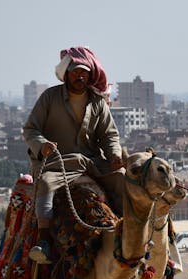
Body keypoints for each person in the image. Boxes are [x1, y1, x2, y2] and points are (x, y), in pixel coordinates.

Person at [23, 46, 123, 264]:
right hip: (58, 163)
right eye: (76, 72)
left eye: (84, 72)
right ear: (66, 73)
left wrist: (114, 155)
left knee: (124, 178)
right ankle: (44, 241)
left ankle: (130, 232)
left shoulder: (97, 102)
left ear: (90, 75)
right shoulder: (50, 97)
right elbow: (30, 129)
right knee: (47, 184)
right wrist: (43, 145)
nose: (80, 76)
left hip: (90, 162)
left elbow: (109, 135)